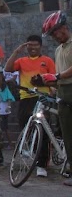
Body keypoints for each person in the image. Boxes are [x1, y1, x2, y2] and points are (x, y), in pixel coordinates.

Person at [39, 11, 72, 186]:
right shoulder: (59, 49)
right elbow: (59, 75)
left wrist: (57, 76)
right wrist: (53, 83)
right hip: (63, 92)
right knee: (66, 132)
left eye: (55, 33)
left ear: (64, 28)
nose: (54, 37)